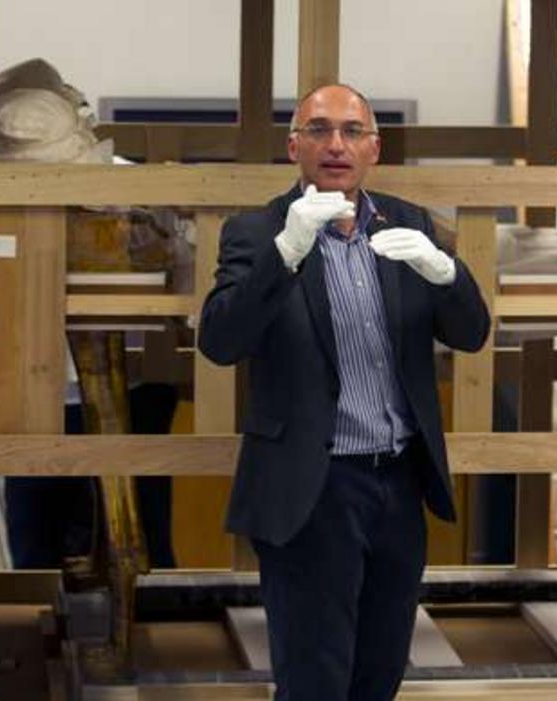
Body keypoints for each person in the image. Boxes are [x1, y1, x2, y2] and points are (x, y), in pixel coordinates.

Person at [198, 84, 490, 701]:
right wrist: (286, 254)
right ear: (294, 146)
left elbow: (470, 334)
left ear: (375, 148)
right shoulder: (255, 232)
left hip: (398, 483)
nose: (337, 144)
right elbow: (221, 343)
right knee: (315, 679)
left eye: (353, 131)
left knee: (379, 673)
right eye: (320, 130)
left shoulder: (407, 223)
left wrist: (448, 274)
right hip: (314, 486)